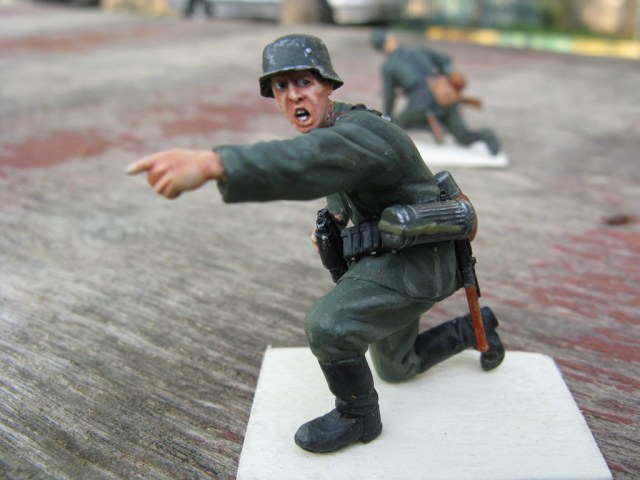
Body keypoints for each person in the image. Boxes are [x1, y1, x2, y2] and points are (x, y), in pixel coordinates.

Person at [127, 34, 505, 454]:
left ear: (327, 85)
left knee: (328, 325)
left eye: (304, 82)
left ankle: (359, 417)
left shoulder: (362, 132)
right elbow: (335, 177)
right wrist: (335, 224)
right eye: (281, 87)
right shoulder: (335, 130)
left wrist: (215, 164)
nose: (293, 96)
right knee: (398, 367)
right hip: (393, 255)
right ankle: (475, 329)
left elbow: (306, 162)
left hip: (418, 260)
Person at [371, 28, 501, 155]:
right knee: (462, 137)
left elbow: (389, 96)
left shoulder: (388, 66)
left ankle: (436, 126)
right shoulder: (417, 50)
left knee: (398, 126)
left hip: (421, 105)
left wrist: (388, 118)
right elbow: (445, 60)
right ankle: (486, 136)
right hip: (446, 98)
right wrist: (443, 82)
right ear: (391, 39)